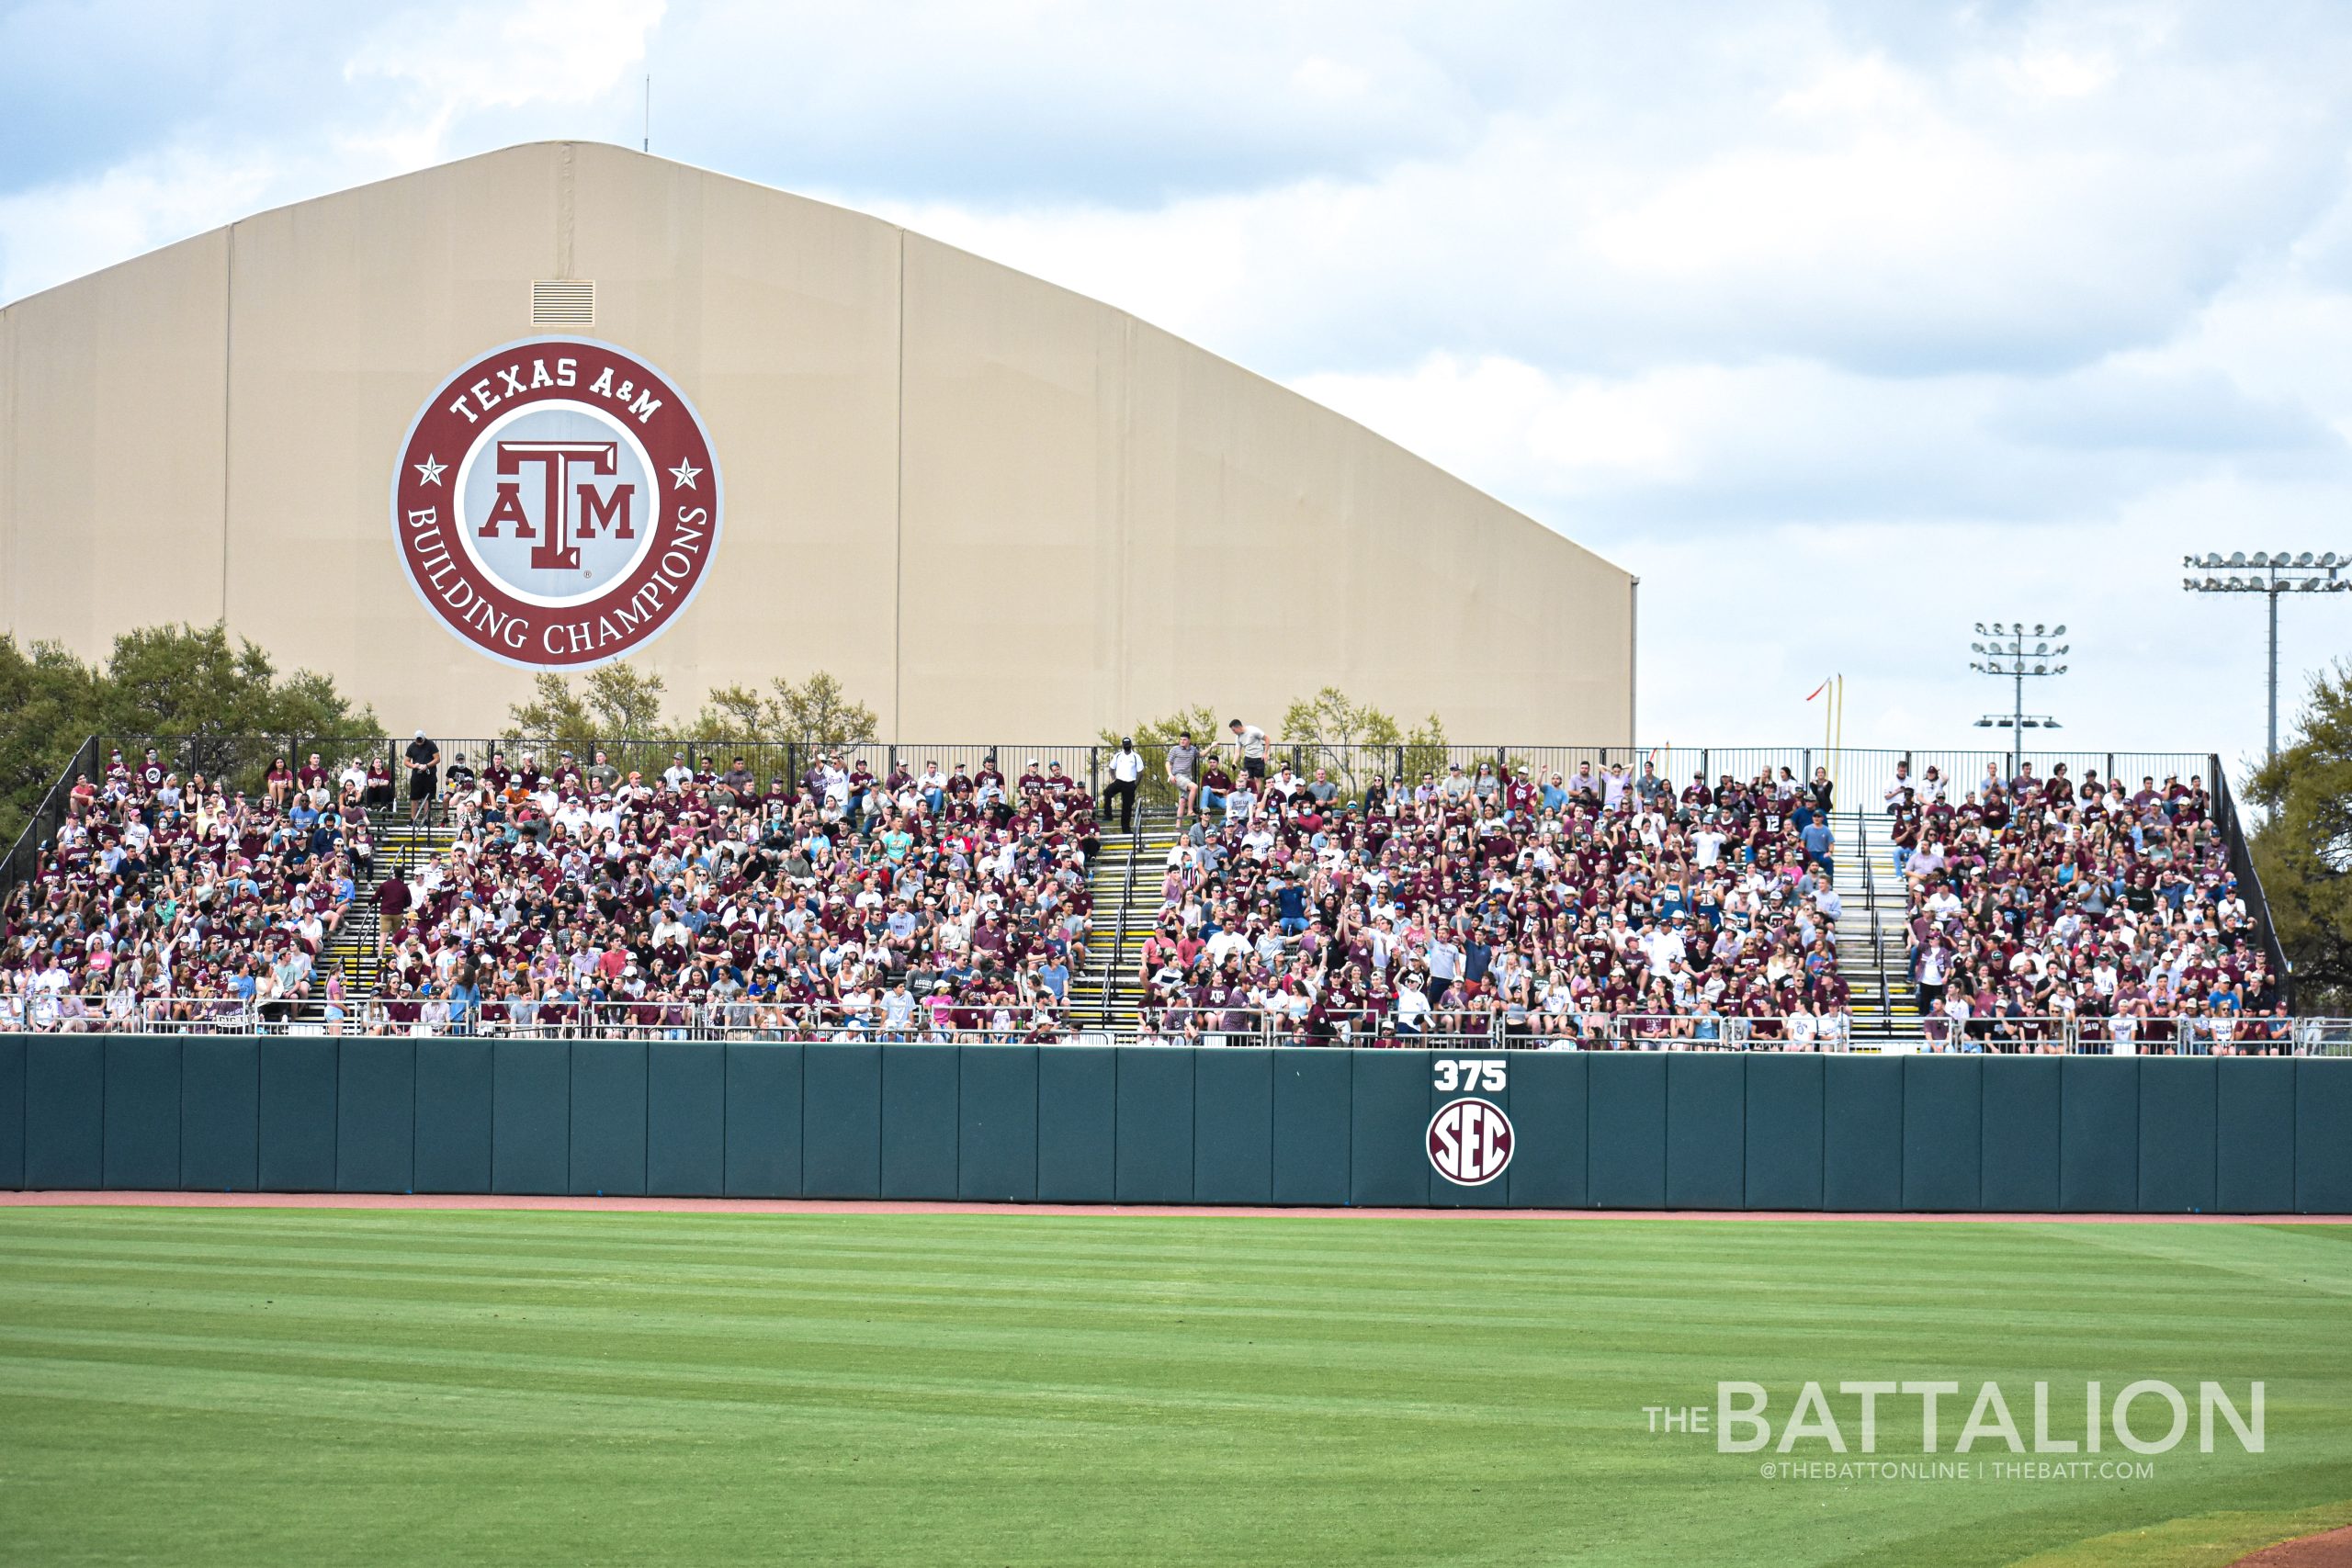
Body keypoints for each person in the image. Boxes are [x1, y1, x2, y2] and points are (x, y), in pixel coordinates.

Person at [1103, 738, 1143, 831]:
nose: (1127, 746)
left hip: (1130, 783)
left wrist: (1135, 785)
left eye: (1128, 744)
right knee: (1107, 792)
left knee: (1127, 806)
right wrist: (1114, 779)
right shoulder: (1118, 756)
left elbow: (1140, 772)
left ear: (1131, 745)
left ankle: (1126, 829)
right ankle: (1108, 815)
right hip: (1119, 781)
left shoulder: (1136, 757)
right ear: (1123, 745)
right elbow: (1111, 768)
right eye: (1125, 744)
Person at [403, 729, 439, 824]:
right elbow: (406, 761)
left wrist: (427, 765)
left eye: (421, 740)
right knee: (414, 797)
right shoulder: (412, 746)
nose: (419, 743)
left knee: (427, 798)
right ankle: (413, 820)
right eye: (417, 741)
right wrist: (414, 766)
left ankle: (426, 820)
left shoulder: (431, 744)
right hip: (417, 775)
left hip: (429, 774)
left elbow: (437, 759)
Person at [1227, 717, 1268, 783]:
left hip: (1259, 757)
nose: (1233, 732)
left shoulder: (1253, 731)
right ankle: (1250, 792)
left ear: (1238, 727)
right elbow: (1237, 752)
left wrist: (1265, 753)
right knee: (1248, 778)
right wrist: (1234, 763)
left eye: (1234, 730)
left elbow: (1267, 739)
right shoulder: (1238, 737)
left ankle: (1257, 793)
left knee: (1257, 778)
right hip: (1248, 758)